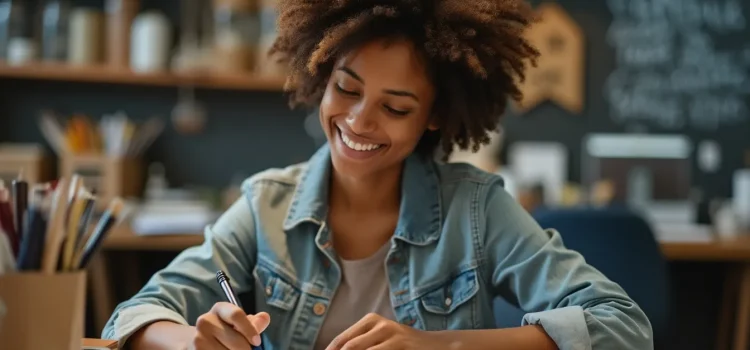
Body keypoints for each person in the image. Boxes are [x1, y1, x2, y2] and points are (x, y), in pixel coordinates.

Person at [102, 1, 653, 349]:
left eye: (395, 107)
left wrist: (436, 347)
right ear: (322, 74)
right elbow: (132, 317)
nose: (358, 121)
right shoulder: (266, 205)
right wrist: (197, 341)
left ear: (434, 116)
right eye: (347, 88)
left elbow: (622, 326)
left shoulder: (478, 210)